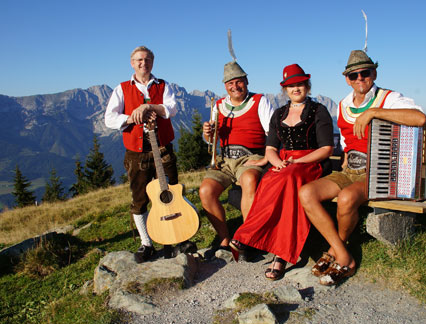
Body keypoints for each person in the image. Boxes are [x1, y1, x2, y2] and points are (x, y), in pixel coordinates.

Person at [299, 50, 426, 286]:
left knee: (347, 198)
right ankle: (341, 252)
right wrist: (346, 157)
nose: (360, 78)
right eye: (354, 75)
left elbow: (419, 118)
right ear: (347, 78)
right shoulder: (344, 103)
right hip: (350, 170)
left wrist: (374, 112)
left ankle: (337, 254)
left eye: (365, 73)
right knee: (306, 193)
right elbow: (347, 141)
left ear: (374, 73)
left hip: (379, 173)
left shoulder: (388, 98)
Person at [230, 64, 334, 280]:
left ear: (307, 86)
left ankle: (255, 238)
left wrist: (297, 161)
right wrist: (277, 163)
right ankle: (275, 250)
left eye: (300, 84)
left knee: (289, 179)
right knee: (269, 180)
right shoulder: (279, 113)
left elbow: (326, 149)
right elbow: (270, 148)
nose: (296, 88)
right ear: (285, 90)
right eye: (291, 85)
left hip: (310, 162)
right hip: (284, 164)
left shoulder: (318, 111)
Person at [104, 46, 190, 263]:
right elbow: (109, 119)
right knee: (139, 198)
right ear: (132, 63)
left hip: (163, 149)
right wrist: (133, 116)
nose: (144, 63)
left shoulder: (163, 85)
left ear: (153, 62)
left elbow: (172, 109)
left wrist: (149, 106)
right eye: (139, 60)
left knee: (170, 192)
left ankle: (173, 239)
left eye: (148, 59)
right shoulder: (121, 89)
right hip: (137, 152)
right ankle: (146, 243)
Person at [199, 61, 274, 258]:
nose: (235, 87)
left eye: (239, 82)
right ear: (225, 86)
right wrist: (207, 134)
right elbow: (210, 140)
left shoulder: (259, 101)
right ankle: (224, 240)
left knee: (249, 180)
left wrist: (267, 157)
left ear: (246, 81)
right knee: (206, 190)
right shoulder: (218, 105)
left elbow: (273, 133)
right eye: (230, 83)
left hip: (250, 156)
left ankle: (249, 239)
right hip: (224, 159)